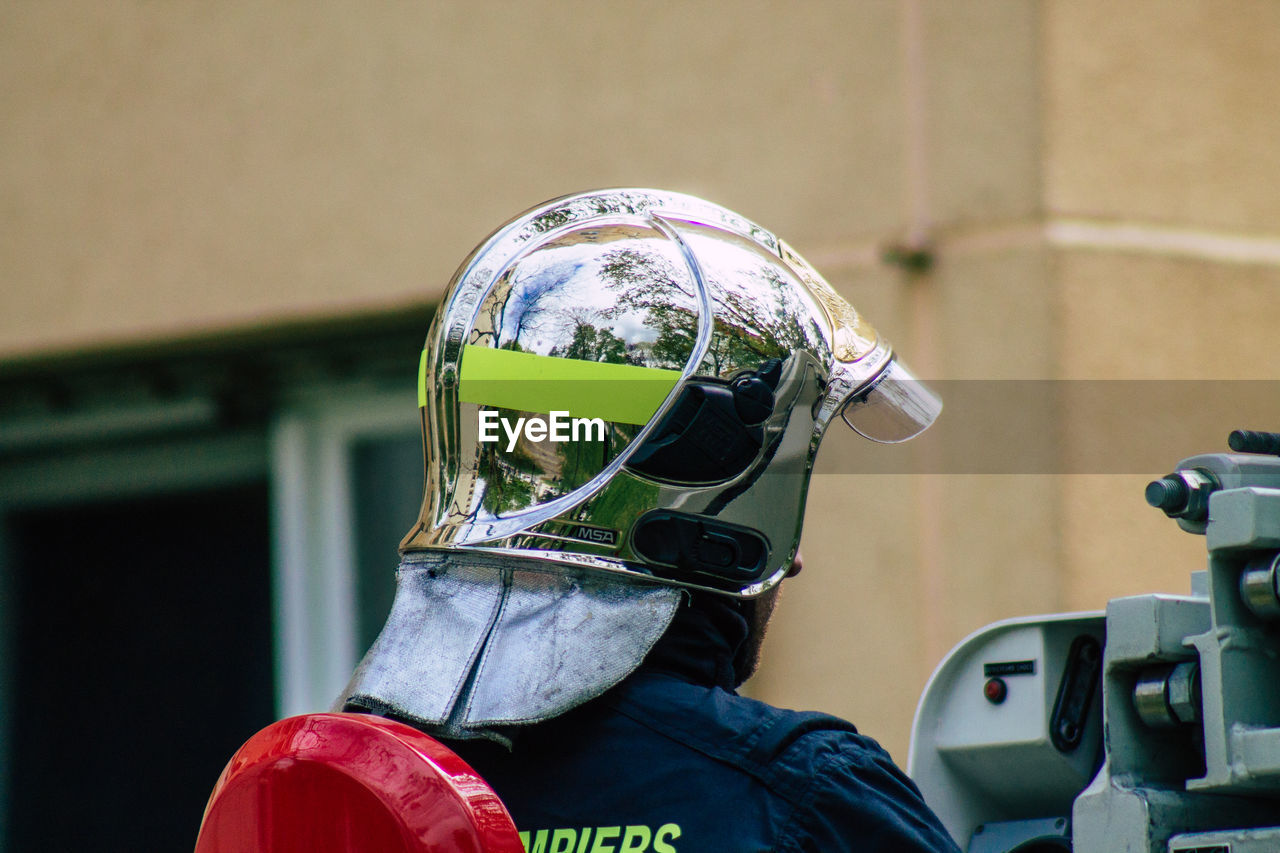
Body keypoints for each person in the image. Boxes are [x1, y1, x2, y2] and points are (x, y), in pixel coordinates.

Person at [339, 189, 960, 852]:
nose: (797, 560)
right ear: (708, 522)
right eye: (772, 495)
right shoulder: (801, 794)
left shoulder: (336, 795)